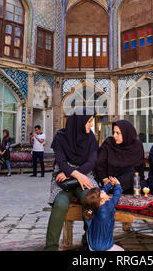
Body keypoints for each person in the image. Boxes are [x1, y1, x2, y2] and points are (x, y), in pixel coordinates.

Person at [44, 108, 99, 251]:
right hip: (62, 178)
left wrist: (74, 173)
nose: (91, 125)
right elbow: (61, 162)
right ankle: (50, 247)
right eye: (89, 121)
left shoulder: (91, 138)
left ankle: (88, 241)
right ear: (79, 122)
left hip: (83, 174)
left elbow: (91, 162)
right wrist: (72, 174)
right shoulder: (60, 137)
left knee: (91, 199)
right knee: (61, 203)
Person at [95, 120, 146, 193]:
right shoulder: (108, 144)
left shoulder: (137, 145)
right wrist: (105, 179)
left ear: (126, 134)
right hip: (111, 181)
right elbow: (100, 165)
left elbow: (140, 170)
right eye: (114, 132)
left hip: (131, 180)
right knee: (132, 176)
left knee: (141, 182)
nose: (114, 135)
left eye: (118, 133)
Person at [83, 176, 124, 251]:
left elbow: (100, 192)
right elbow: (116, 197)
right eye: (102, 192)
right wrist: (118, 185)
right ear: (101, 201)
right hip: (104, 247)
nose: (103, 191)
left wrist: (109, 184)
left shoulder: (92, 207)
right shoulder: (106, 209)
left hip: (92, 245)